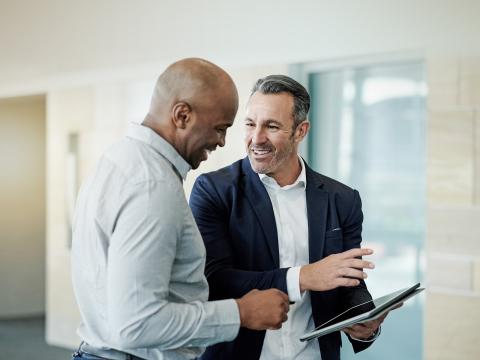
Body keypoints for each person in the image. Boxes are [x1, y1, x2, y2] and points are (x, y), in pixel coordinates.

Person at [71, 59, 290, 360]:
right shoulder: (152, 186)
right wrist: (242, 312)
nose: (222, 141)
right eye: (220, 128)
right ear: (182, 115)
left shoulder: (119, 159)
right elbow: (136, 325)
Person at [189, 75, 390, 360]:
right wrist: (303, 277)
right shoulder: (213, 191)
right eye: (250, 124)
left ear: (300, 131)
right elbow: (213, 281)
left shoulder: (342, 199)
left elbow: (349, 282)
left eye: (271, 126)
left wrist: (365, 321)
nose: (256, 138)